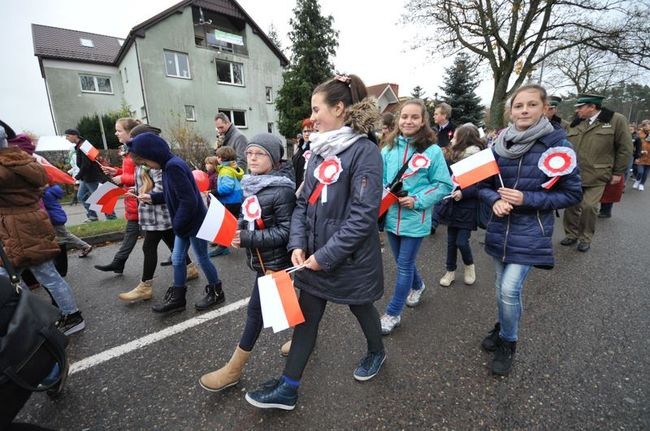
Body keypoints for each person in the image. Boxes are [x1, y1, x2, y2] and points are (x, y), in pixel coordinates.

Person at [245, 74, 385, 410]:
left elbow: (362, 217)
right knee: (305, 319)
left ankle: (377, 351)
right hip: (312, 259)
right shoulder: (319, 152)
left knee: (361, 307)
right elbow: (301, 204)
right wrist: (298, 244)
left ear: (338, 108)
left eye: (316, 108)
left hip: (349, 260)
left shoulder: (365, 153)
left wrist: (327, 254)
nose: (312, 117)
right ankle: (288, 387)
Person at [479, 84, 582, 376]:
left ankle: (509, 343)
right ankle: (502, 326)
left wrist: (528, 199)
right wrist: (494, 200)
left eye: (531, 105)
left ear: (544, 108)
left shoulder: (557, 145)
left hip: (531, 229)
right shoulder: (500, 144)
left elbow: (572, 194)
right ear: (510, 111)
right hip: (500, 227)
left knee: (510, 289)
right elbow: (483, 186)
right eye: (518, 106)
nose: (524, 110)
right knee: (501, 289)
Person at [198, 133, 296, 392]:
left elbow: (286, 232)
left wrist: (248, 237)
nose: (252, 157)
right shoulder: (252, 184)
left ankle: (234, 369)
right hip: (262, 261)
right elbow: (247, 217)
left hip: (277, 262)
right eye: (249, 152)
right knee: (286, 307)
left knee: (256, 313)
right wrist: (236, 231)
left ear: (274, 159)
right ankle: (303, 339)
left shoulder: (282, 191)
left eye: (259, 153)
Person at [0, 123, 85, 335]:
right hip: (31, 221)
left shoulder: (4, 169)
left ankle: (39, 319)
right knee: (41, 274)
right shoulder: (24, 161)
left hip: (16, 227)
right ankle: (63, 316)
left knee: (12, 276)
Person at [128, 133, 225, 313]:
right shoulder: (168, 166)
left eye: (145, 161)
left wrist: (178, 225)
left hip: (193, 222)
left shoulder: (173, 167)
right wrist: (152, 197)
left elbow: (189, 200)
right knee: (177, 259)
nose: (146, 166)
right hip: (185, 223)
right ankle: (178, 297)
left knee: (202, 258)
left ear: (153, 154)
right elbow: (173, 194)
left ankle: (217, 291)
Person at [379, 99, 453, 335]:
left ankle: (392, 314)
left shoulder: (432, 152)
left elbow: (443, 184)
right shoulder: (387, 149)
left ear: (423, 121)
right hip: (390, 218)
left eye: (414, 117)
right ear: (398, 120)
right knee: (403, 262)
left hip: (415, 219)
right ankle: (418, 286)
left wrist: (417, 199)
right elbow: (379, 180)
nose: (408, 121)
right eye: (404, 117)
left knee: (403, 265)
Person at [561, 94, 632, 249]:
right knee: (571, 206)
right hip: (574, 173)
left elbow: (625, 148)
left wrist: (618, 172)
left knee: (589, 206)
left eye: (580, 107)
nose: (577, 110)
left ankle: (585, 238)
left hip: (598, 174)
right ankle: (571, 234)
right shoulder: (576, 122)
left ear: (592, 107)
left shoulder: (616, 120)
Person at [94, 118, 144, 274]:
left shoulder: (139, 150)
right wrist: (116, 171)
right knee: (131, 234)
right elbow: (130, 173)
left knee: (161, 237)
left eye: (119, 130)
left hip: (143, 201)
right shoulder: (128, 150)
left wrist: (121, 179)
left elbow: (143, 176)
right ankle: (118, 262)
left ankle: (184, 263)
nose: (116, 133)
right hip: (133, 200)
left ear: (130, 132)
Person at [438, 123, 484, 287]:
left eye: (456, 136)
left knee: (462, 242)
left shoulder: (478, 158)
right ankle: (450, 271)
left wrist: (464, 193)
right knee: (451, 242)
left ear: (463, 138)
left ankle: (469, 266)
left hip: (468, 207)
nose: (452, 138)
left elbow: (480, 185)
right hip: (451, 204)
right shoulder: (453, 155)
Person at [64, 128, 116, 222]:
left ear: (75, 135)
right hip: (86, 177)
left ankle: (111, 217)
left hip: (92, 176)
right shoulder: (81, 145)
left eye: (68, 136)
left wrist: (77, 177)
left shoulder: (84, 145)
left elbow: (86, 164)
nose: (66, 138)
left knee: (101, 197)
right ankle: (92, 216)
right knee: (81, 196)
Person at [208, 147, 244, 257]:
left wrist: (214, 192)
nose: (216, 158)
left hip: (230, 200)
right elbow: (239, 175)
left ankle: (223, 247)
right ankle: (222, 242)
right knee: (229, 222)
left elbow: (228, 187)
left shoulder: (225, 170)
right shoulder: (232, 168)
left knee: (226, 224)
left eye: (218, 156)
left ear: (221, 158)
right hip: (235, 199)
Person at [291, 119, 314, 188]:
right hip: (295, 185)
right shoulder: (299, 147)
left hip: (308, 187)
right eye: (305, 131)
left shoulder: (315, 148)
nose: (307, 134)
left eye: (310, 131)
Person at [632, 120, 650, 191]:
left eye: (648, 125)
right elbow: (637, 144)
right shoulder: (640, 133)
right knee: (640, 171)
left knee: (646, 173)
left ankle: (642, 184)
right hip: (641, 155)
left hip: (649, 157)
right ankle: (637, 180)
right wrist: (640, 151)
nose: (647, 126)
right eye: (645, 125)